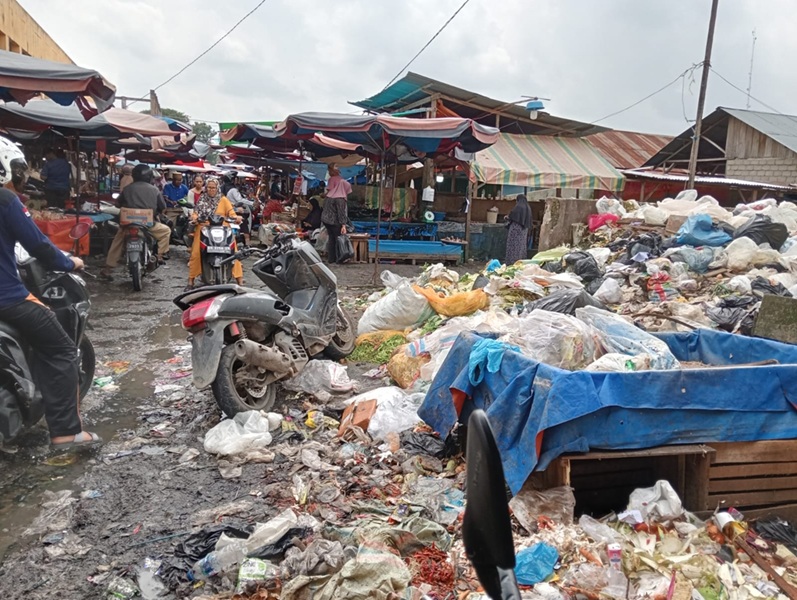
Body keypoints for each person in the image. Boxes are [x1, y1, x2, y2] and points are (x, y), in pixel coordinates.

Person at [0, 136, 100, 449]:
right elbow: (39, 246)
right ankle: (66, 433)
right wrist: (69, 261)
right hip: (8, 299)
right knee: (61, 349)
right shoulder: (5, 201)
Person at [100, 164, 171, 280]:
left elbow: (118, 204)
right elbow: (162, 207)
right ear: (149, 177)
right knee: (166, 231)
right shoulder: (155, 190)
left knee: (117, 241)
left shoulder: (127, 188)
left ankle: (108, 269)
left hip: (128, 224)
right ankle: (159, 256)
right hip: (148, 224)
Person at [186, 178, 243, 289]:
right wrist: (194, 218)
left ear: (218, 188)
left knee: (234, 252)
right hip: (204, 228)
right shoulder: (202, 199)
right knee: (196, 254)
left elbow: (231, 213)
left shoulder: (224, 200)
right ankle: (190, 281)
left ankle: (240, 281)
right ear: (206, 188)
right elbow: (196, 213)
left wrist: (236, 217)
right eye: (209, 187)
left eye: (213, 187)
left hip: (223, 229)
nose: (211, 190)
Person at [321, 164, 351, 263]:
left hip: (326, 220)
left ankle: (331, 259)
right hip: (334, 222)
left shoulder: (329, 196)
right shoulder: (340, 199)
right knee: (338, 239)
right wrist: (343, 225)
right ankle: (339, 258)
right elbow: (341, 213)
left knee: (332, 239)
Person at [504, 194, 532, 265]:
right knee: (521, 246)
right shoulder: (528, 207)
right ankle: (520, 262)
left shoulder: (518, 207)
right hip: (524, 231)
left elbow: (512, 216)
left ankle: (511, 262)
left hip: (515, 230)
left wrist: (507, 217)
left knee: (513, 246)